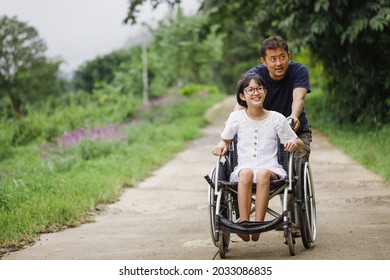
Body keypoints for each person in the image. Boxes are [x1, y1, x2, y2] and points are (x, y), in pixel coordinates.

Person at [212, 73, 303, 242]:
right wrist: (221, 146)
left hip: (270, 168)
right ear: (242, 96)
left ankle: (258, 225)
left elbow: (298, 142)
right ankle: (244, 224)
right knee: (246, 172)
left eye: (259, 88)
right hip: (244, 168)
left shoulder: (276, 118)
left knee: (262, 173)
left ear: (265, 92)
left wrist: (293, 143)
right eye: (250, 90)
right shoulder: (236, 117)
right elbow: (225, 140)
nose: (255, 93)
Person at [236, 35, 311, 161]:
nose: (279, 63)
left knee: (297, 166)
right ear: (264, 61)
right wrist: (233, 119)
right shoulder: (254, 76)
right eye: (273, 59)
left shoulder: (299, 71)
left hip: (295, 131)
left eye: (282, 57)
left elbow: (299, 97)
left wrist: (294, 116)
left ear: (288, 55)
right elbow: (243, 102)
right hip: (264, 133)